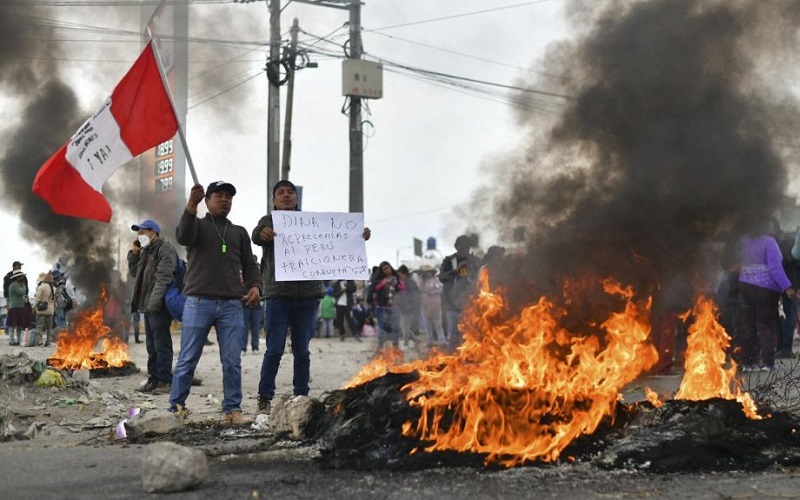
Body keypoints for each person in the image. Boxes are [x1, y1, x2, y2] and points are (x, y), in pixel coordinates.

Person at [252, 179, 371, 414]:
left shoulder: (311, 223)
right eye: (281, 192)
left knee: (302, 352)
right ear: (274, 200)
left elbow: (341, 240)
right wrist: (263, 234)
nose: (286, 195)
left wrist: (359, 235)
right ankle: (265, 398)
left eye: (290, 192)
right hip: (278, 296)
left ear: (297, 199)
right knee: (274, 350)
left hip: (307, 297)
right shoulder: (269, 221)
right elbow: (256, 236)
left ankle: (301, 396)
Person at [169, 181, 261, 425]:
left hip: (231, 304)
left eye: (228, 196)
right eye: (218, 195)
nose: (224, 199)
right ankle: (176, 408)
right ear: (207, 201)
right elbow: (183, 235)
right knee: (188, 359)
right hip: (198, 302)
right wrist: (191, 205)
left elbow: (250, 264)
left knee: (232, 361)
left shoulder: (239, 232)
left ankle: (233, 409)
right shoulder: (197, 225)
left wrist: (255, 286)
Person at [737, 214, 796, 371]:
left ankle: (747, 362)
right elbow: (775, 268)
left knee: (748, 325)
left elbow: (737, 262)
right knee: (766, 325)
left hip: (745, 285)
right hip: (766, 289)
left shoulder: (743, 241)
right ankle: (768, 362)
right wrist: (787, 287)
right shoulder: (769, 242)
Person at [128, 219, 178, 395]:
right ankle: (154, 379)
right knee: (151, 345)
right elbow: (135, 273)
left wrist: (154, 303)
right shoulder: (146, 252)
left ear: (153, 232)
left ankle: (165, 380)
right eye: (138, 232)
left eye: (143, 232)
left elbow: (163, 278)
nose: (139, 235)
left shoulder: (165, 249)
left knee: (161, 344)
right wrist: (134, 254)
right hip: (148, 306)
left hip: (159, 305)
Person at [439, 235, 481, 351]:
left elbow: (481, 277)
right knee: (454, 335)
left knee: (471, 334)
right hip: (452, 304)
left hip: (470, 304)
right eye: (462, 247)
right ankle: (453, 357)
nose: (464, 250)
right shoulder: (449, 261)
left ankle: (468, 357)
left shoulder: (475, 261)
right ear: (456, 247)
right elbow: (442, 277)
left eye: (467, 247)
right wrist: (456, 271)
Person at [373, 261, 405, 349]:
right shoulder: (378, 279)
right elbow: (375, 289)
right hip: (382, 308)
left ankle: (395, 348)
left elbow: (403, 288)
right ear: (382, 271)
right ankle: (380, 348)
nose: (387, 270)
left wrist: (396, 285)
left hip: (395, 307)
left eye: (388, 268)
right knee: (382, 329)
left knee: (396, 328)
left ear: (391, 267)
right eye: (384, 269)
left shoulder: (397, 277)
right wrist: (383, 284)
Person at [418, 264, 446, 347]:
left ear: (431, 272)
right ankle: (430, 340)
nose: (427, 273)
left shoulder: (436, 280)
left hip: (435, 304)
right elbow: (420, 289)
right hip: (425, 304)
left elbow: (440, 289)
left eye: (428, 272)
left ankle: (442, 340)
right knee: (427, 323)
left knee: (438, 323)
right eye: (425, 272)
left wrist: (431, 292)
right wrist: (421, 279)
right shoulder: (422, 281)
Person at [242, 256, 264, 354]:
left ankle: (255, 347)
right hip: (244, 305)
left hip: (256, 306)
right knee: (244, 328)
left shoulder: (259, 277)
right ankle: (243, 348)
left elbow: (263, 290)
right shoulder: (242, 275)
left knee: (255, 328)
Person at [396, 265, 421, 347]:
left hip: (408, 308)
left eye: (400, 274)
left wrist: (410, 304)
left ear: (405, 274)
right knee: (403, 327)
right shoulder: (400, 282)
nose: (399, 276)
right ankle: (415, 339)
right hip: (402, 308)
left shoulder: (410, 283)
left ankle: (406, 344)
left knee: (405, 327)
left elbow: (416, 295)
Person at [6, 270, 30, 346]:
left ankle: (18, 340)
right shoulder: (14, 285)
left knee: (19, 325)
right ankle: (12, 341)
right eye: (21, 277)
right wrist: (24, 286)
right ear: (17, 277)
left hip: (19, 307)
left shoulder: (17, 285)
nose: (22, 278)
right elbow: (21, 292)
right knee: (12, 326)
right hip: (14, 307)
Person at [33, 271, 56, 347]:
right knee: (49, 327)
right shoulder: (54, 288)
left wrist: (33, 306)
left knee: (39, 326)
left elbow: (38, 298)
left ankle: (40, 342)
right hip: (50, 311)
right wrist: (54, 308)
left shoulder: (41, 287)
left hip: (41, 310)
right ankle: (48, 342)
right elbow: (55, 301)